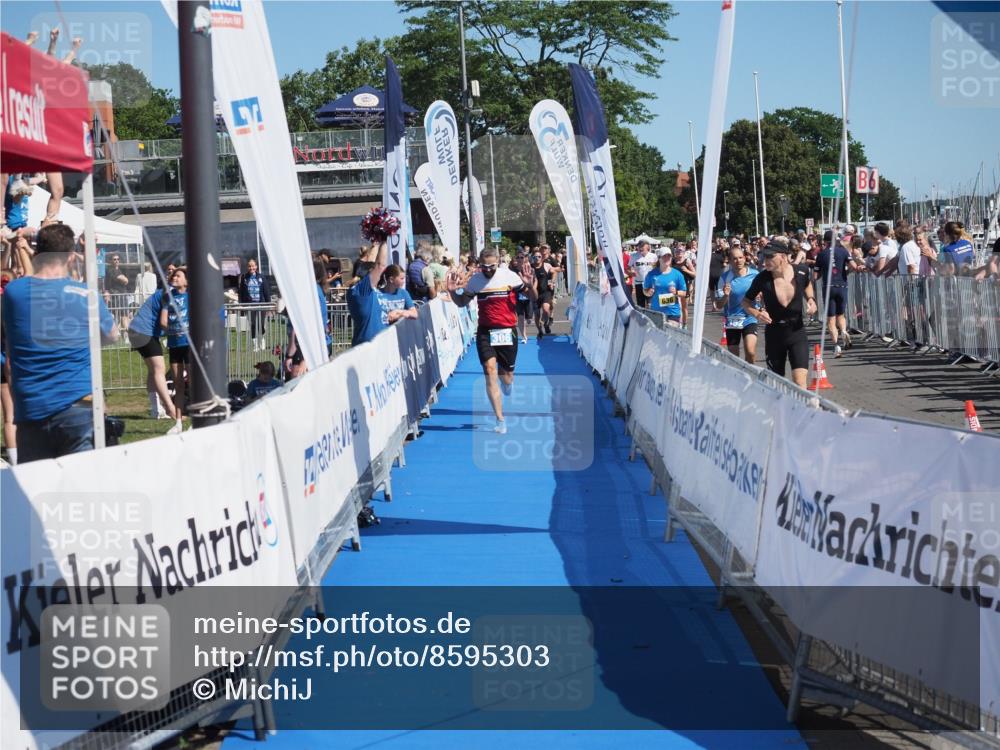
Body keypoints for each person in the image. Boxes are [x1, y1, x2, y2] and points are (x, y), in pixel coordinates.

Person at [1, 224, 118, 462]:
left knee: (35, 484)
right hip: (79, 403)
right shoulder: (86, 294)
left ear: (36, 253)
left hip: (31, 407)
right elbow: (112, 335)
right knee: (83, 481)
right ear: (71, 257)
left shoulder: (14, 292)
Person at [446, 248, 538, 434]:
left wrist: (530, 286)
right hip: (485, 331)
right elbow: (462, 302)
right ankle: (500, 418)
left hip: (507, 331)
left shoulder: (510, 276)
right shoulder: (475, 280)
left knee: (507, 375)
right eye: (484, 266)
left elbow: (533, 298)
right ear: (480, 265)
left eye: (492, 266)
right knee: (489, 370)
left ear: (498, 263)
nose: (488, 270)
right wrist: (453, 292)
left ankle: (508, 383)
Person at [742, 243, 817, 388]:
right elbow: (745, 301)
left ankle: (800, 404)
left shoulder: (801, 271)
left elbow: (807, 284)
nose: (765, 261)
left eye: (770, 256)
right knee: (777, 383)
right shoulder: (762, 278)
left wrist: (811, 299)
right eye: (764, 256)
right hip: (775, 334)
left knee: (799, 381)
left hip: (797, 332)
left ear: (783, 256)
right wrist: (757, 314)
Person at [347, 243, 416, 346]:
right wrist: (384, 240)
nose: (378, 277)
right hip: (369, 346)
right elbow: (380, 266)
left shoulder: (368, 292)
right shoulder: (361, 292)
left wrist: (376, 244)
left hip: (381, 344)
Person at [127, 283, 177, 422]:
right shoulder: (170, 293)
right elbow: (164, 322)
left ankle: (157, 410)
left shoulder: (174, 292)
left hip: (139, 331)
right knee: (159, 369)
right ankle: (170, 408)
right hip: (143, 331)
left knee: (154, 371)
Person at [815, 230, 858, 358]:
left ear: (825, 242)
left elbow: (815, 276)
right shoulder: (843, 251)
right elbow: (854, 266)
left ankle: (836, 346)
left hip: (828, 287)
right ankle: (844, 331)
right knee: (841, 314)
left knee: (831, 319)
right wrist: (846, 273)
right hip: (842, 285)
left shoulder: (821, 254)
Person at [714, 246, 760, 363]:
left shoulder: (755, 274)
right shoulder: (724, 278)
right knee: (734, 357)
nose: (738, 261)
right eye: (734, 258)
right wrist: (725, 295)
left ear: (744, 258)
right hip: (733, 319)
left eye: (740, 257)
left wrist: (761, 296)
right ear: (729, 261)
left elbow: (764, 292)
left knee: (750, 352)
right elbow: (718, 305)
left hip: (750, 317)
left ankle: (750, 372)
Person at [160, 267, 190, 433]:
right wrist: (171, 329)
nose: (174, 278)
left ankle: (197, 420)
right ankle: (178, 423)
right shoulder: (167, 297)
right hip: (174, 344)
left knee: (193, 383)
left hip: (189, 344)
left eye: (178, 276)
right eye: (173, 276)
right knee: (178, 384)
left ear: (186, 280)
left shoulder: (192, 296)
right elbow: (163, 321)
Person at [643, 247, 687, 326]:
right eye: (664, 256)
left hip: (672, 313)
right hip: (656, 313)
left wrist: (676, 292)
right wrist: (648, 292)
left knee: (669, 329)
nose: (667, 258)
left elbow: (684, 293)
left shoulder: (677, 274)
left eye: (669, 256)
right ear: (659, 258)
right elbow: (645, 290)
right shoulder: (651, 274)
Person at [238, 258, 271, 352]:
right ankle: (255, 345)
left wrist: (268, 304)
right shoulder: (244, 277)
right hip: (249, 305)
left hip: (261, 305)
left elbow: (266, 291)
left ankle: (262, 341)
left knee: (261, 324)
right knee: (252, 324)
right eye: (249, 266)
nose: (251, 268)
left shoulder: (261, 277)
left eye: (253, 266)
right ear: (247, 267)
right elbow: (241, 292)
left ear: (256, 266)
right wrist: (241, 304)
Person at [530, 250, 555, 339]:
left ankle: (545, 323)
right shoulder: (530, 267)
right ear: (532, 258)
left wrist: (552, 282)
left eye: (539, 257)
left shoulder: (546, 265)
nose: (537, 258)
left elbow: (554, 272)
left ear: (542, 258)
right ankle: (540, 330)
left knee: (545, 309)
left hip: (546, 292)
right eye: (535, 257)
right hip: (535, 294)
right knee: (537, 315)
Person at [511, 253, 534, 344]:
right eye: (518, 257)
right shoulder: (513, 271)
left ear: (525, 259)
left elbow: (532, 282)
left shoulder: (530, 269)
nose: (520, 259)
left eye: (522, 257)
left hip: (527, 297)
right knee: (520, 317)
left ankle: (530, 319)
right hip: (518, 297)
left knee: (529, 319)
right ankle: (524, 336)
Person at [627, 240, 657, 308]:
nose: (640, 248)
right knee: (640, 305)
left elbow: (658, 268)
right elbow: (628, 268)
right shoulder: (634, 256)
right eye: (639, 246)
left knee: (651, 305)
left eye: (642, 246)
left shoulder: (653, 256)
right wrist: (631, 273)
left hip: (650, 284)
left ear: (648, 247)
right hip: (639, 283)